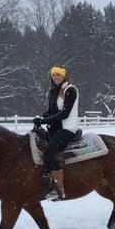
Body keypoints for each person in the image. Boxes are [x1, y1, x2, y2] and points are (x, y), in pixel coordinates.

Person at [33, 66, 80, 200]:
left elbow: (65, 113)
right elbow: (52, 111)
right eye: (53, 75)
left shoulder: (70, 89)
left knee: (49, 152)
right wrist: (41, 118)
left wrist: (44, 120)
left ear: (64, 76)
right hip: (55, 129)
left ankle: (58, 189)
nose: (55, 77)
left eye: (58, 75)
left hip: (67, 128)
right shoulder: (52, 91)